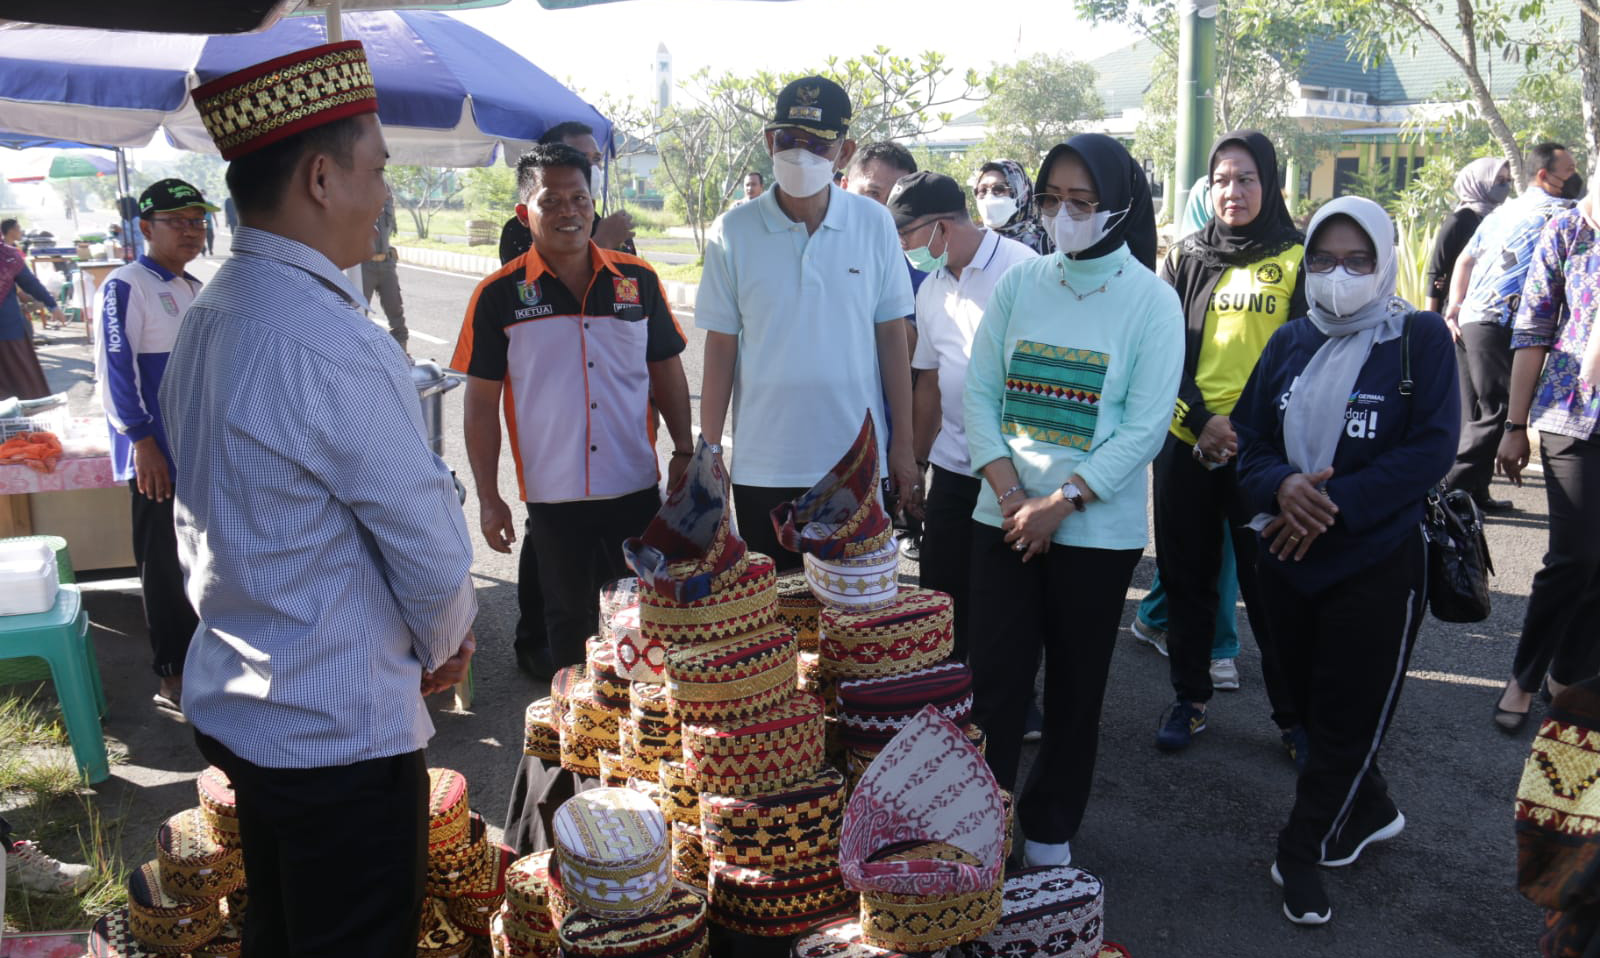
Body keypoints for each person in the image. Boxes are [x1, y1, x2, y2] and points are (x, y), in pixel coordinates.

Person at [163, 43, 477, 956]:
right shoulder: (328, 340)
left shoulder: (210, 315)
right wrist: (442, 642)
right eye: (376, 169)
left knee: (285, 928)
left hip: (252, 713)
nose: (385, 193)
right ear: (319, 177)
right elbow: (428, 551)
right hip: (340, 733)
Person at [1233, 195, 1459, 926]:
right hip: (1283, 555)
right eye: (1324, 259)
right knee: (1303, 703)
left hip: (1376, 559)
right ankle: (1372, 808)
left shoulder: (1418, 338)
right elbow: (1249, 440)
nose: (1339, 274)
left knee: (1345, 717)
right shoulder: (1290, 341)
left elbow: (1431, 447)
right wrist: (1283, 487)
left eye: (1358, 260)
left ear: (1385, 260)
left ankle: (1301, 847)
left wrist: (1330, 506)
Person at [965, 133, 1183, 869]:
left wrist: (1060, 501)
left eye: (1081, 201)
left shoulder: (1150, 299)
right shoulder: (1021, 284)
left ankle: (1050, 824)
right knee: (993, 682)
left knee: (1075, 686)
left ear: (1118, 207)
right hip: (1004, 514)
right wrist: (1011, 495)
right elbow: (981, 394)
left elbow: (1148, 424)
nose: (1063, 213)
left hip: (1093, 528)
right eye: (1052, 199)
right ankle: (982, 820)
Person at [455, 143, 693, 678]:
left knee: (640, 614)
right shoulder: (498, 296)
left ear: (594, 205)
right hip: (553, 494)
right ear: (524, 213)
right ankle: (575, 740)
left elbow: (667, 371)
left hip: (632, 483)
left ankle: (639, 733)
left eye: (579, 198)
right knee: (568, 619)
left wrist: (684, 450)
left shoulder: (638, 282)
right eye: (552, 200)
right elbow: (480, 405)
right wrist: (490, 498)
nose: (569, 211)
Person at [695, 76, 916, 571]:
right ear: (770, 141)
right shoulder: (734, 231)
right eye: (790, 140)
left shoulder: (874, 224)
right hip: (764, 464)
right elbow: (721, 349)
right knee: (769, 619)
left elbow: (891, 339)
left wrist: (902, 442)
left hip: (855, 463)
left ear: (844, 151)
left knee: (852, 617)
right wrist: (709, 454)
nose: (801, 154)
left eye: (818, 144)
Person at [1153, 130, 1306, 756]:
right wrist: (1203, 418)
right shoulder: (1185, 257)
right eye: (1220, 179)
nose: (1232, 192)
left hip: (1263, 453)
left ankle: (1295, 719)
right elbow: (1159, 353)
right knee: (1187, 579)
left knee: (1272, 589)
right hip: (1188, 442)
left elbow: (1308, 357)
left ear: (1268, 185)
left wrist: (1246, 430)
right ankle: (1189, 699)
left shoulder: (1299, 256)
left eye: (1246, 179)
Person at [889, 170, 1037, 660]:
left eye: (905, 234)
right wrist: (917, 463)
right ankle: (944, 699)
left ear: (941, 227)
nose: (902, 246)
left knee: (1005, 601)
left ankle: (1011, 710)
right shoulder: (931, 287)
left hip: (1014, 471)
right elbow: (928, 381)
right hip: (955, 467)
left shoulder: (1023, 271)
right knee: (941, 595)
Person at [95, 178, 213, 713]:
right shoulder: (127, 285)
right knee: (163, 565)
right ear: (146, 228)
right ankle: (173, 674)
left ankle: (207, 661)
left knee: (204, 561)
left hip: (199, 451)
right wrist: (142, 441)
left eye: (197, 220)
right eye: (178, 222)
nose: (192, 231)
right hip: (156, 459)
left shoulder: (191, 285)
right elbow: (115, 371)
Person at [1492, 179, 1600, 729]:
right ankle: (1524, 677)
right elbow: (1532, 326)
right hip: (1573, 414)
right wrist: (1513, 425)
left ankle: (1569, 672)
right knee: (1575, 557)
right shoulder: (1570, 230)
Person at [1444, 141, 1579, 513]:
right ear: (1543, 175)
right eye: (1569, 171)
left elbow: (1465, 261)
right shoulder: (1565, 211)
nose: (1575, 178)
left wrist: (1455, 306)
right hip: (1504, 322)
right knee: (1499, 413)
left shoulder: (1503, 211)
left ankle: (1472, 494)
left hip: (1472, 319)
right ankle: (1443, 492)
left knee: (1478, 413)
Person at [498, 120, 636, 263]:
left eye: (596, 159)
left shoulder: (605, 226)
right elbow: (532, 281)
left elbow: (630, 281)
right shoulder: (521, 229)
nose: (592, 167)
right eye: (580, 158)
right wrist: (602, 243)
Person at [1424, 157, 1511, 314]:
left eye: (1507, 180)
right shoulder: (1459, 219)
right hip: (1454, 314)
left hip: (1490, 309)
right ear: (1480, 183)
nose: (1505, 185)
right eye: (1499, 180)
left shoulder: (1502, 218)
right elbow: (1436, 273)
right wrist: (1430, 323)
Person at [0, 217, 62, 400]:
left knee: (22, 392)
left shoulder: (8, 256)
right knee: (24, 391)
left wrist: (51, 304)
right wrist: (51, 305)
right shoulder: (8, 256)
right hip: (10, 333)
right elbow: (30, 283)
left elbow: (30, 284)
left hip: (8, 333)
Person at [361, 193, 409, 351]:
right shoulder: (358, 195)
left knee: (396, 313)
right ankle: (358, 355)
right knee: (358, 313)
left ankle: (402, 354)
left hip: (386, 265)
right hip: (364, 265)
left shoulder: (387, 197)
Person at [974, 160, 1053, 255]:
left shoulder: (1048, 244)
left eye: (999, 189)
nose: (989, 197)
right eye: (982, 190)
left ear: (1021, 193)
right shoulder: (973, 245)